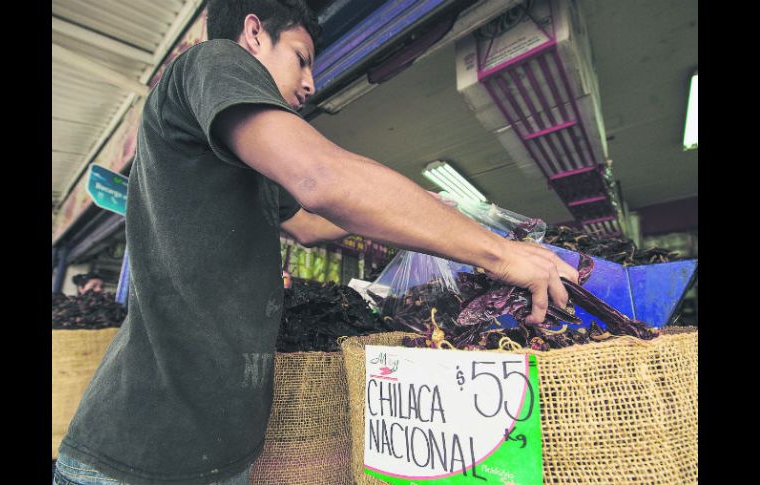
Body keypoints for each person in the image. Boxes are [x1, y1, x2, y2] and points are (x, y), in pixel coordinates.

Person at [54, 1, 578, 483]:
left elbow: (307, 222)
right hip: (140, 455)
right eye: (302, 59)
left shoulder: (245, 163)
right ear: (254, 34)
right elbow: (320, 179)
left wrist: (424, 211)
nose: (311, 84)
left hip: (215, 456)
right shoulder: (211, 60)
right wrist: (501, 253)